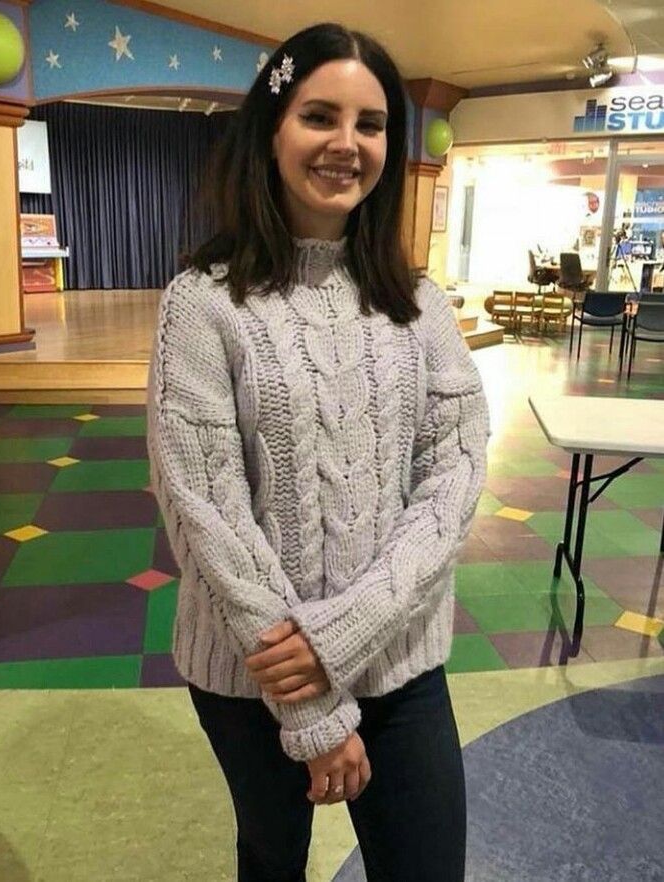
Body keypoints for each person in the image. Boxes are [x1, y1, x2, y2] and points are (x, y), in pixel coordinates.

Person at [146, 22, 489, 882]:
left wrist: (349, 629)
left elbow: (454, 473)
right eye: (319, 116)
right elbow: (204, 506)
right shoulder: (203, 304)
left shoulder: (417, 303)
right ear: (272, 128)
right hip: (249, 670)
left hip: (398, 658)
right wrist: (307, 703)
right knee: (271, 863)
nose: (346, 144)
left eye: (369, 125)